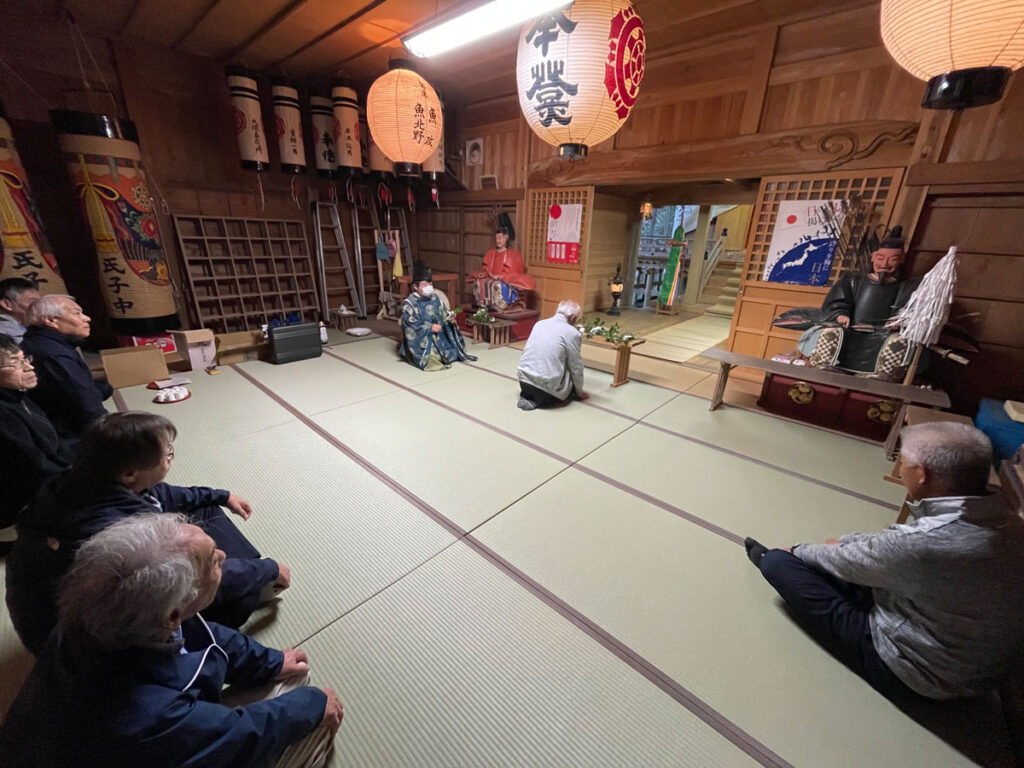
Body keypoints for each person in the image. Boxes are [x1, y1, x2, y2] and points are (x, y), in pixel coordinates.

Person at [0, 513, 343, 768]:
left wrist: (269, 662)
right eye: (212, 562)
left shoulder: (96, 618)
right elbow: (241, 736)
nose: (223, 555)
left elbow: (207, 636)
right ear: (172, 615)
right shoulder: (144, 719)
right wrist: (312, 706)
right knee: (306, 699)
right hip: (126, 747)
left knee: (279, 674)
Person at [744, 422, 1024, 702]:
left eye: (902, 461)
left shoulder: (924, 544)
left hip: (919, 673)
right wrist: (846, 542)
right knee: (849, 557)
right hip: (980, 668)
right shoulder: (1011, 522)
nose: (900, 469)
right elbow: (885, 548)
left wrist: (794, 550)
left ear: (921, 474)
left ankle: (770, 558)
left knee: (779, 564)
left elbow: (853, 557)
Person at [6, 411, 290, 654]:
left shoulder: (81, 478)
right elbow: (183, 580)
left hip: (106, 602)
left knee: (206, 508)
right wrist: (265, 569)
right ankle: (244, 596)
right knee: (237, 597)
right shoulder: (117, 531)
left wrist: (221, 495)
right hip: (96, 642)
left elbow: (159, 493)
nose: (171, 458)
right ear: (130, 473)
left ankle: (252, 573)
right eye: (167, 455)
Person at [798, 226, 920, 379]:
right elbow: (837, 301)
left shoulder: (906, 287)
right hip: (850, 329)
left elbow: (911, 310)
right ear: (873, 257)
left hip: (882, 334)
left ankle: (882, 376)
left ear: (901, 260)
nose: (885, 264)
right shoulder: (854, 280)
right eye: (881, 258)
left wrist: (899, 320)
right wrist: (841, 313)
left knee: (900, 342)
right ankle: (824, 366)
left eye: (893, 259)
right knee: (830, 333)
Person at [0, 333, 73, 530]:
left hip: (48, 479)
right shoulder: (4, 414)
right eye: (15, 363)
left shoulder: (17, 395)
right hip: (21, 503)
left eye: (25, 358)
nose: (29, 366)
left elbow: (54, 445)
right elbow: (34, 467)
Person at [20, 294, 112, 439]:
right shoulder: (54, 354)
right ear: (51, 320)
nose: (87, 318)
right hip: (68, 434)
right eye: (77, 314)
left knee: (104, 387)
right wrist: (113, 435)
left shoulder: (36, 340)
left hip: (56, 421)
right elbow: (87, 404)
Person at [399, 260, 476, 370]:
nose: (429, 287)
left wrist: (450, 318)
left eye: (430, 284)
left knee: (452, 353)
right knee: (433, 359)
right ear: (415, 287)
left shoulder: (435, 298)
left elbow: (443, 313)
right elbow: (411, 326)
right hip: (423, 340)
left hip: (439, 336)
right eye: (425, 284)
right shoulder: (410, 304)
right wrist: (430, 328)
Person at [516, 300, 589, 411]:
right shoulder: (572, 333)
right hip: (547, 391)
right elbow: (576, 366)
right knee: (570, 368)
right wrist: (579, 392)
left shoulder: (539, 324)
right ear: (573, 318)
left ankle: (530, 398)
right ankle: (544, 400)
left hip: (524, 382)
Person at [468, 211, 535, 312]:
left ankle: (501, 303)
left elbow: (514, 272)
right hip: (491, 277)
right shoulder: (491, 253)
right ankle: (482, 302)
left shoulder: (513, 254)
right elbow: (485, 268)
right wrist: (488, 274)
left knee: (497, 285)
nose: (498, 241)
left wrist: (501, 277)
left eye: (500, 238)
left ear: (506, 238)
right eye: (496, 238)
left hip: (505, 280)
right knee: (479, 282)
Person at [0, 277, 41, 343]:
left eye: (39, 301)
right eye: (33, 302)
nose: (39, 306)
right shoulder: (4, 334)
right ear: (6, 304)